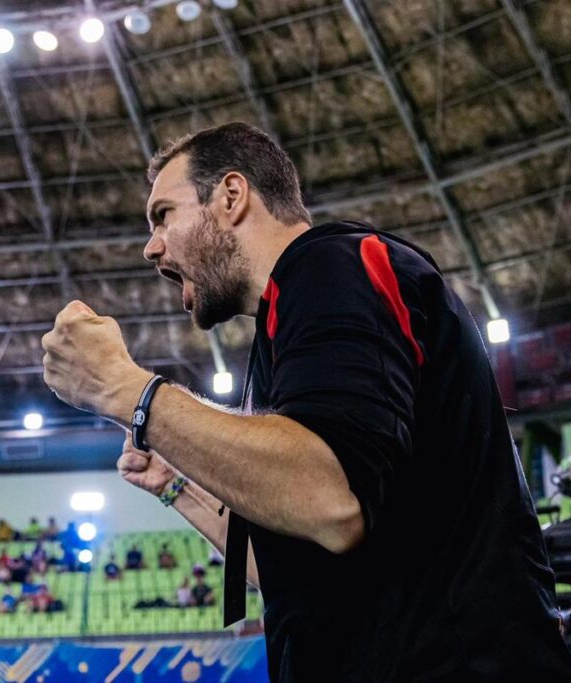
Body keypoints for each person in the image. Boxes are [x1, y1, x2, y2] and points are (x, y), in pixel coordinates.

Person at [41, 122, 571, 680]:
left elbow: (330, 502)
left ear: (230, 196)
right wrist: (178, 482)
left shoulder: (334, 267)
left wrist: (126, 391)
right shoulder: (285, 331)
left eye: (163, 215)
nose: (151, 247)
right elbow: (293, 560)